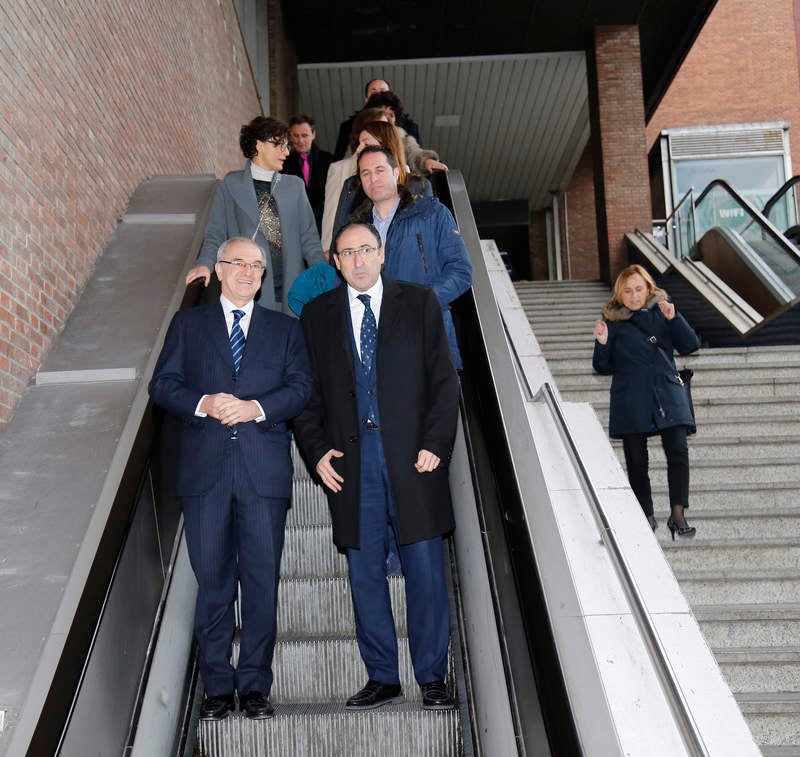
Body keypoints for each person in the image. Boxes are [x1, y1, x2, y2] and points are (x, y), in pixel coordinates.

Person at [294, 222, 459, 711]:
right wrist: (317, 450)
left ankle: (432, 677)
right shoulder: (317, 316)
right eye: (348, 253)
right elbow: (307, 395)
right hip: (351, 464)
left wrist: (435, 443)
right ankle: (383, 677)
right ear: (336, 261)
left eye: (367, 249)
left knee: (426, 572)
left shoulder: (420, 303)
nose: (359, 260)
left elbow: (444, 383)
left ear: (382, 254)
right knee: (364, 574)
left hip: (414, 461)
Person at [149, 237, 312, 720]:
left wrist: (254, 408)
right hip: (206, 474)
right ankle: (217, 686)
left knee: (262, 582)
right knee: (214, 583)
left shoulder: (285, 330)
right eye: (237, 263)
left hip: (263, 475)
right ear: (218, 269)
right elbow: (163, 384)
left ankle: (256, 685)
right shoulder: (188, 324)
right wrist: (203, 404)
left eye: (256, 266)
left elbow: (301, 388)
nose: (247, 271)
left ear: (264, 277)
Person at [592, 264, 700, 538]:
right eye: (627, 290)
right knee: (637, 461)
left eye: (639, 289)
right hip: (631, 397)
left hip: (666, 390)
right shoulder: (613, 322)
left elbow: (690, 345)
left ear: (648, 288)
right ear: (620, 293)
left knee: (678, 449)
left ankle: (678, 514)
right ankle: (646, 515)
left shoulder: (663, 311)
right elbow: (602, 367)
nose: (634, 295)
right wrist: (602, 342)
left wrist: (675, 319)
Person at [185, 116, 325, 315]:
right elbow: (215, 234)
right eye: (280, 146)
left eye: (287, 147)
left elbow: (309, 239)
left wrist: (324, 275)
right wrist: (203, 264)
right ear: (259, 145)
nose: (286, 152)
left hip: (290, 292)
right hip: (246, 289)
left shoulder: (295, 186)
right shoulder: (231, 186)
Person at [351, 145, 472, 369]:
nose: (373, 178)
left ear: (396, 173)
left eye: (380, 170)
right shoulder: (356, 229)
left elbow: (461, 271)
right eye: (365, 173)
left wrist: (420, 303)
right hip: (380, 347)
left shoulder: (431, 212)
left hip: (429, 336)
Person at [333, 78, 421, 160]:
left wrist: (426, 161)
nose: (379, 94)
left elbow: (415, 154)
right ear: (367, 99)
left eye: (383, 91)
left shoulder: (409, 128)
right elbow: (340, 159)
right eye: (374, 92)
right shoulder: (349, 126)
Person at [282, 114, 333, 234]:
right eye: (295, 136)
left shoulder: (328, 160)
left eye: (304, 136)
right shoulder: (283, 163)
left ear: (313, 135)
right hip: (294, 225)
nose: (300, 141)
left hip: (323, 224)